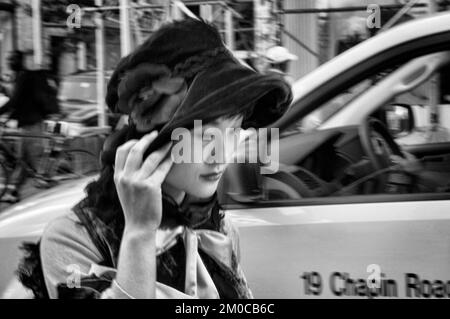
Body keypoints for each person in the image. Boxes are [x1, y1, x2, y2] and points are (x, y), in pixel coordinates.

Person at [15, 19, 292, 299]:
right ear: (150, 140)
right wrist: (140, 233)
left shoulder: (217, 225)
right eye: (204, 136)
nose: (221, 153)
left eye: (233, 131)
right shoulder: (74, 237)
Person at [0, 51, 59, 203]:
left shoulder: (23, 78)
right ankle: (13, 192)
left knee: (34, 159)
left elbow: (14, 101)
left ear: (18, 61)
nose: (9, 62)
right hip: (27, 124)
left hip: (32, 124)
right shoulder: (20, 77)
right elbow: (19, 103)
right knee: (23, 161)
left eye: (11, 59)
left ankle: (53, 189)